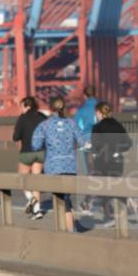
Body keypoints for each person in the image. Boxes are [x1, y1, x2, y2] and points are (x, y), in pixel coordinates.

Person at [31, 96, 88, 233]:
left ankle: (69, 232)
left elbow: (35, 145)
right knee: (66, 198)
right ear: (64, 107)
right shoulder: (71, 123)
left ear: (51, 108)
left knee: (61, 200)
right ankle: (72, 227)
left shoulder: (44, 125)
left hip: (53, 166)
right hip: (70, 165)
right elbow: (82, 142)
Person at [89, 101, 134, 225]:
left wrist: (91, 149)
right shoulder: (118, 125)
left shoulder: (97, 127)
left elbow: (96, 146)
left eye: (96, 113)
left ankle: (109, 217)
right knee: (117, 185)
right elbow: (128, 143)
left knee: (105, 189)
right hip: (118, 160)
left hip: (103, 161)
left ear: (99, 113)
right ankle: (126, 202)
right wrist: (117, 150)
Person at [12, 96, 47, 220]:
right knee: (36, 181)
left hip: (27, 152)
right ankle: (37, 211)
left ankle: (31, 199)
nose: (21, 109)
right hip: (41, 152)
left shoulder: (23, 118)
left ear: (28, 106)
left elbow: (16, 137)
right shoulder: (43, 117)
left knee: (21, 180)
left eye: (22, 106)